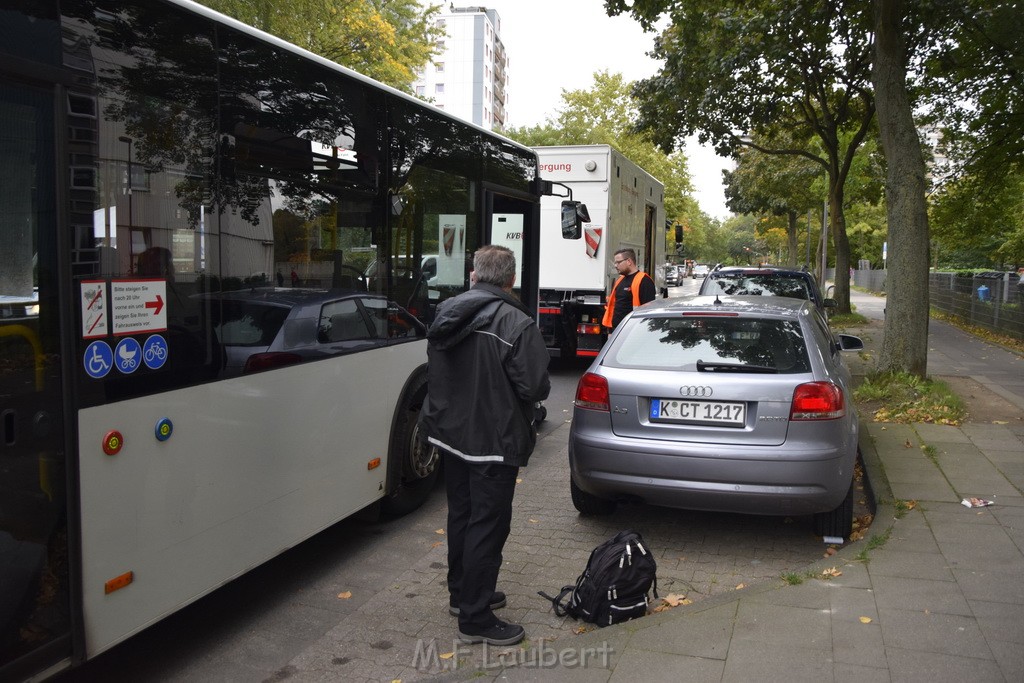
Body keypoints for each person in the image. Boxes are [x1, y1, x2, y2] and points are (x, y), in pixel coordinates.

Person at [419, 245, 550, 647]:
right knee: (488, 524)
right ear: (511, 279)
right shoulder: (515, 321)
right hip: (492, 439)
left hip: (451, 433)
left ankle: (463, 593)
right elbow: (536, 386)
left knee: (462, 514)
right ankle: (476, 618)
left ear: (475, 274)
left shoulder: (448, 310)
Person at [602, 248, 657, 330]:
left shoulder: (644, 280)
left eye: (618, 262)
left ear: (629, 261)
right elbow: (614, 307)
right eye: (615, 263)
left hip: (633, 331)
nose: (616, 265)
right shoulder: (620, 280)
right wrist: (610, 331)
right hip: (616, 330)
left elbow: (648, 311)